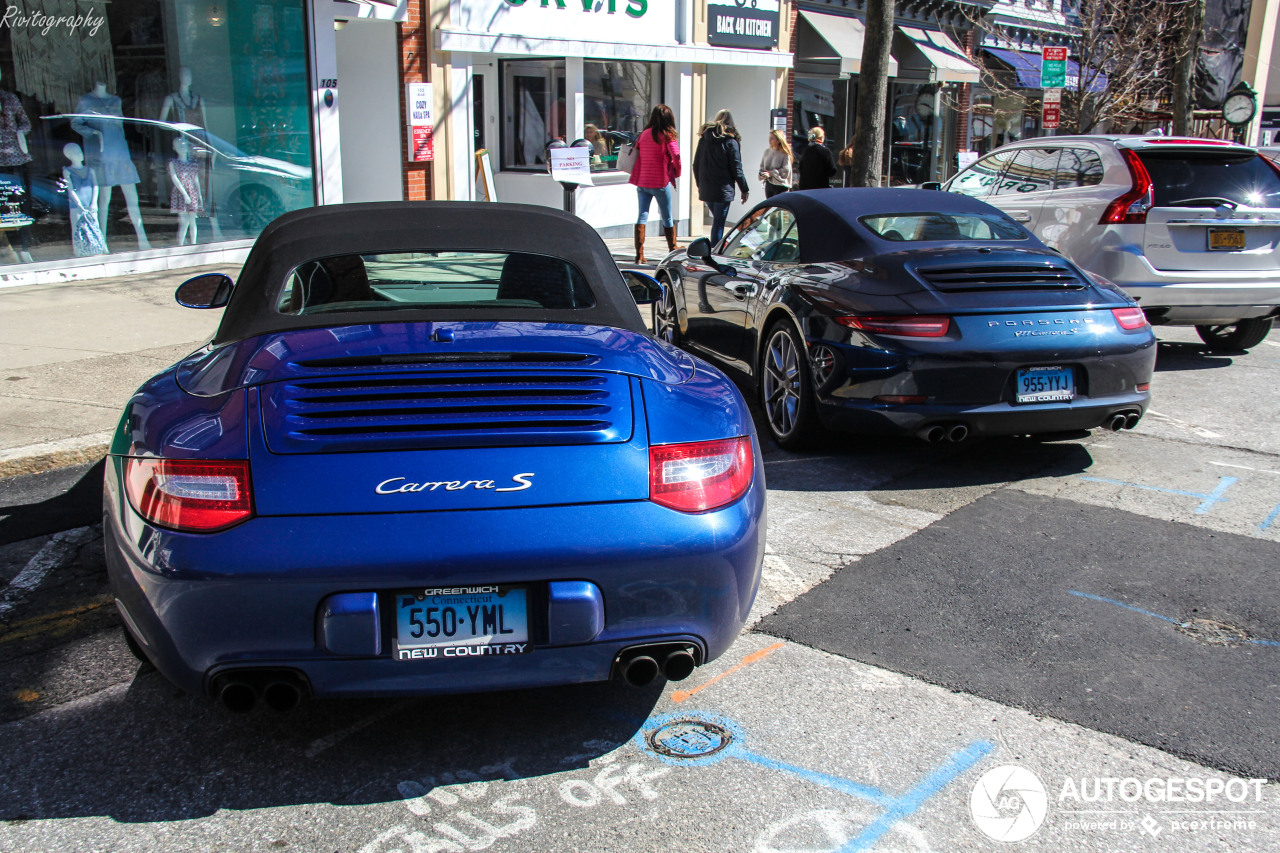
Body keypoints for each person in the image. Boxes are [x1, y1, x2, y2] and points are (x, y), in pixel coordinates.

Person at [629, 104, 681, 264]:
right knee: (667, 217)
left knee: (642, 215)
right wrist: (677, 171)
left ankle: (639, 254)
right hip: (660, 181)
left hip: (643, 181)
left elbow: (636, 151)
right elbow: (676, 155)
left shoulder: (643, 134)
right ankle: (672, 248)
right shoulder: (667, 136)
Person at [693, 109, 749, 246]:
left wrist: (700, 184)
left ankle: (714, 249)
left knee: (716, 221)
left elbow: (695, 164)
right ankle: (714, 251)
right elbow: (737, 168)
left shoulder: (704, 140)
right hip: (723, 189)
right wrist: (744, 189)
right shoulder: (731, 142)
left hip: (707, 187)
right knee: (718, 223)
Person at [796, 126, 836, 190]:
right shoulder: (825, 151)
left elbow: (800, 167)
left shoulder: (806, 151)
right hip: (820, 187)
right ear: (822, 138)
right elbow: (832, 170)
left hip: (805, 187)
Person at [758, 129, 792, 198]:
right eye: (769, 138)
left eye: (772, 138)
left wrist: (771, 173)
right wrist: (762, 174)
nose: (769, 140)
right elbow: (762, 167)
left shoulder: (784, 154)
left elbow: (786, 171)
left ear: (779, 140)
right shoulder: (767, 152)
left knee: (779, 207)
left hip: (781, 186)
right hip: (769, 184)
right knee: (768, 205)